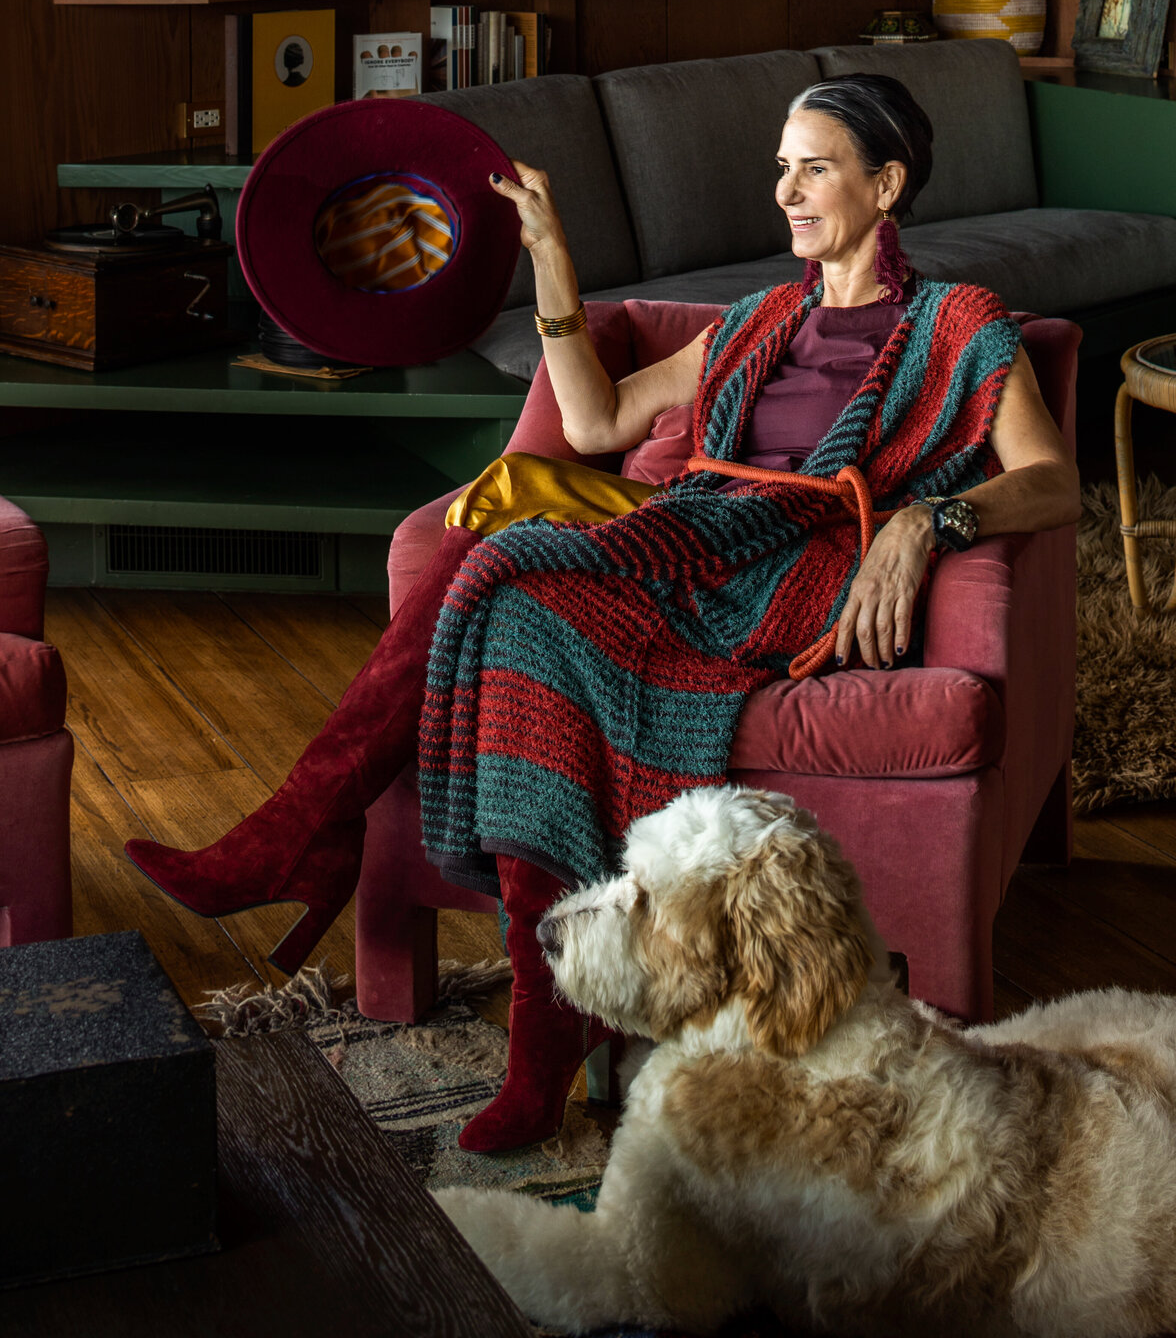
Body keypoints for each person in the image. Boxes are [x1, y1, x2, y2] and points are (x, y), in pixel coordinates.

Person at [126, 73, 1080, 1153]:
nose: (788, 192)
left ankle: (307, 843)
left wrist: (925, 527)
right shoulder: (759, 320)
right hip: (693, 542)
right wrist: (549, 254)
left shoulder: (960, 324)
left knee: (504, 577)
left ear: (888, 183)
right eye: (782, 166)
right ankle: (535, 1007)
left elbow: (1050, 480)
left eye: (815, 167)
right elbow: (595, 419)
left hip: (792, 569)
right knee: (506, 590)